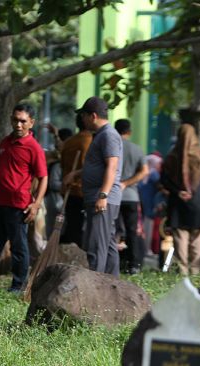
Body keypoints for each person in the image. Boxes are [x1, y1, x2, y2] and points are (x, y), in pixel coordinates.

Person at [0, 104, 48, 292]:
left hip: (19, 205)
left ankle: (18, 285)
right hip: (1, 203)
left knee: (19, 247)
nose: (18, 124)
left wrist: (36, 204)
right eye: (15, 120)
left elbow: (43, 177)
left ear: (31, 122)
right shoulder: (6, 142)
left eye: (23, 121)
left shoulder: (34, 147)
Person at [64, 97, 123, 276]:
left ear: (93, 116)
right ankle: (113, 283)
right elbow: (98, 165)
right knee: (108, 243)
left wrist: (103, 196)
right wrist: (77, 173)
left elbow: (112, 166)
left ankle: (96, 286)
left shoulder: (108, 135)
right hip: (99, 196)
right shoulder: (100, 136)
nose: (82, 120)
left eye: (83, 115)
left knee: (96, 244)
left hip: (102, 198)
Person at [161, 123, 200, 275]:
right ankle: (195, 271)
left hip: (178, 205)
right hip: (198, 203)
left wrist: (178, 192)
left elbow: (164, 181)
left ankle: (183, 272)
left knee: (180, 239)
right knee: (198, 240)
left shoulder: (171, 157)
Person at [114, 119, 149, 274]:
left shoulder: (112, 147)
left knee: (114, 231)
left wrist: (119, 184)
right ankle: (133, 264)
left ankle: (115, 262)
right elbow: (144, 172)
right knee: (132, 231)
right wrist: (127, 183)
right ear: (129, 132)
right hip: (131, 196)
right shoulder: (137, 149)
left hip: (113, 196)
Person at [59, 113, 92, 246]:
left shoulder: (69, 142)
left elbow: (62, 165)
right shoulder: (89, 140)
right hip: (83, 191)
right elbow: (88, 167)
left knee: (72, 225)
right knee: (80, 229)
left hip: (68, 190)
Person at [138, 153, 163, 256]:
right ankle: (146, 248)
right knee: (148, 227)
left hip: (144, 203)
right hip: (150, 205)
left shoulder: (146, 173)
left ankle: (144, 248)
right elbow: (161, 186)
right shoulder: (154, 174)